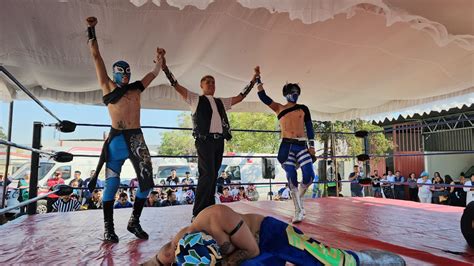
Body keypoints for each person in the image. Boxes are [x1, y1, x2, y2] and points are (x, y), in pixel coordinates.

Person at [85, 16, 161, 242]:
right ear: (116, 72)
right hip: (117, 141)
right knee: (111, 185)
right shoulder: (107, 85)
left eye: (128, 72)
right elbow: (96, 56)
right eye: (122, 72)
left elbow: (153, 74)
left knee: (147, 183)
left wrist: (160, 61)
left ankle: (133, 222)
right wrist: (91, 30)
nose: (126, 75)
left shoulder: (136, 89)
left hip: (136, 140)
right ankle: (108, 228)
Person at [159, 50, 257, 219]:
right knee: (207, 174)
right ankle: (197, 212)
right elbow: (176, 85)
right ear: (201, 86)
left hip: (219, 142)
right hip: (204, 141)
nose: (211, 84)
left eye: (213, 82)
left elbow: (239, 97)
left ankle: (209, 208)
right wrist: (165, 67)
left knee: (213, 175)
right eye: (208, 82)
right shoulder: (195, 99)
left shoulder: (221, 102)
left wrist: (253, 80)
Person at [143, 204, 405, 266]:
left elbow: (253, 251)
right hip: (244, 255)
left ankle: (367, 260)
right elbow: (153, 263)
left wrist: (226, 262)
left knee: (333, 262)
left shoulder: (217, 216)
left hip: (270, 235)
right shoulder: (177, 246)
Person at [256, 68, 316, 223]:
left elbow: (309, 128)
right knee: (291, 176)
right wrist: (257, 80)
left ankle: (298, 200)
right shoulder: (279, 108)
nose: (295, 93)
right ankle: (298, 210)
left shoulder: (304, 108)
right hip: (286, 146)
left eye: (297, 91)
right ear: (286, 93)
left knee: (309, 176)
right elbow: (263, 97)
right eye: (292, 91)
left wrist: (312, 146)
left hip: (302, 145)